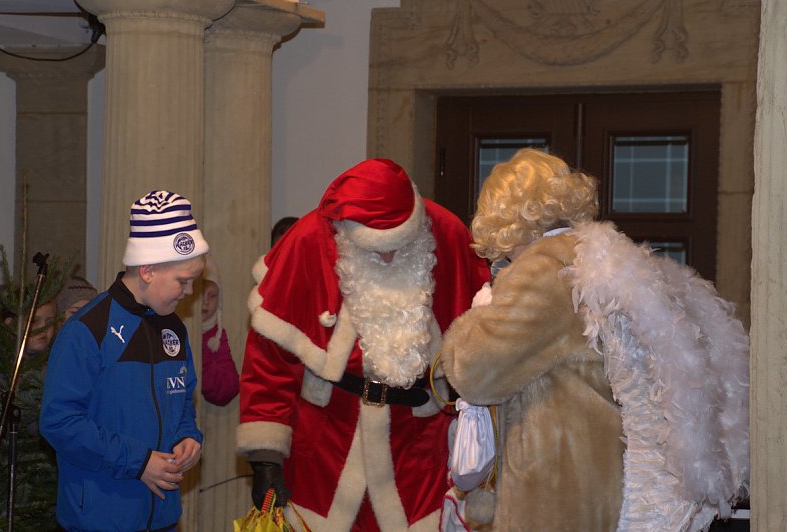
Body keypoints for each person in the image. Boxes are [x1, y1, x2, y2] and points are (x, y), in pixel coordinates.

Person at [440, 149, 749, 531]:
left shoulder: (541, 269)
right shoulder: (592, 259)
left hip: (553, 480)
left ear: (504, 215)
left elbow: (474, 370)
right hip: (597, 466)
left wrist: (477, 316)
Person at [238, 158, 490, 531]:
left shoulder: (448, 234)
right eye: (376, 249)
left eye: (400, 246)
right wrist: (266, 459)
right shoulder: (309, 240)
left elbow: (483, 345)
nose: (388, 257)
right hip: (325, 449)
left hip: (420, 451)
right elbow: (270, 364)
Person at [40, 190, 208, 532]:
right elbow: (59, 422)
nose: (189, 291)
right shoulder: (87, 330)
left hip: (164, 519)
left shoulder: (173, 328)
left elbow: (182, 403)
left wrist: (188, 437)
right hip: (101, 519)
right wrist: (139, 461)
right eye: (182, 281)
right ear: (147, 270)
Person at [200, 261, 240, 406]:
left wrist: (201, 356)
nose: (205, 302)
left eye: (212, 296)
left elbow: (229, 389)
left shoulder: (216, 335)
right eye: (200, 294)